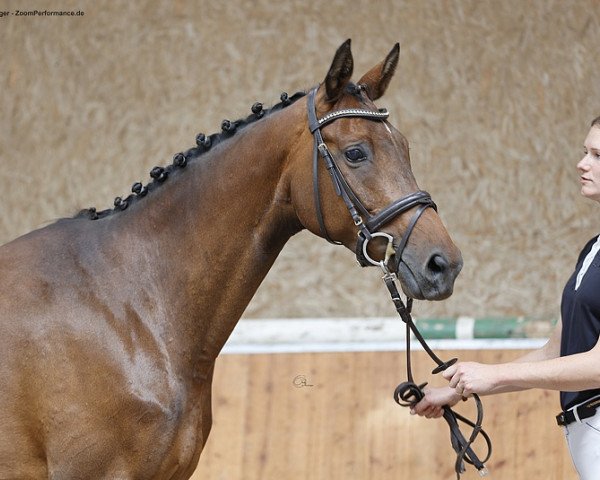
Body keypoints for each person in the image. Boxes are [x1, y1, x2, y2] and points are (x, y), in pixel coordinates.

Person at [412, 116, 600, 480]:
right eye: (584, 151)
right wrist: (457, 392)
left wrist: (494, 375)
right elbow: (555, 353)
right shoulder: (593, 250)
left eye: (596, 154)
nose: (581, 163)